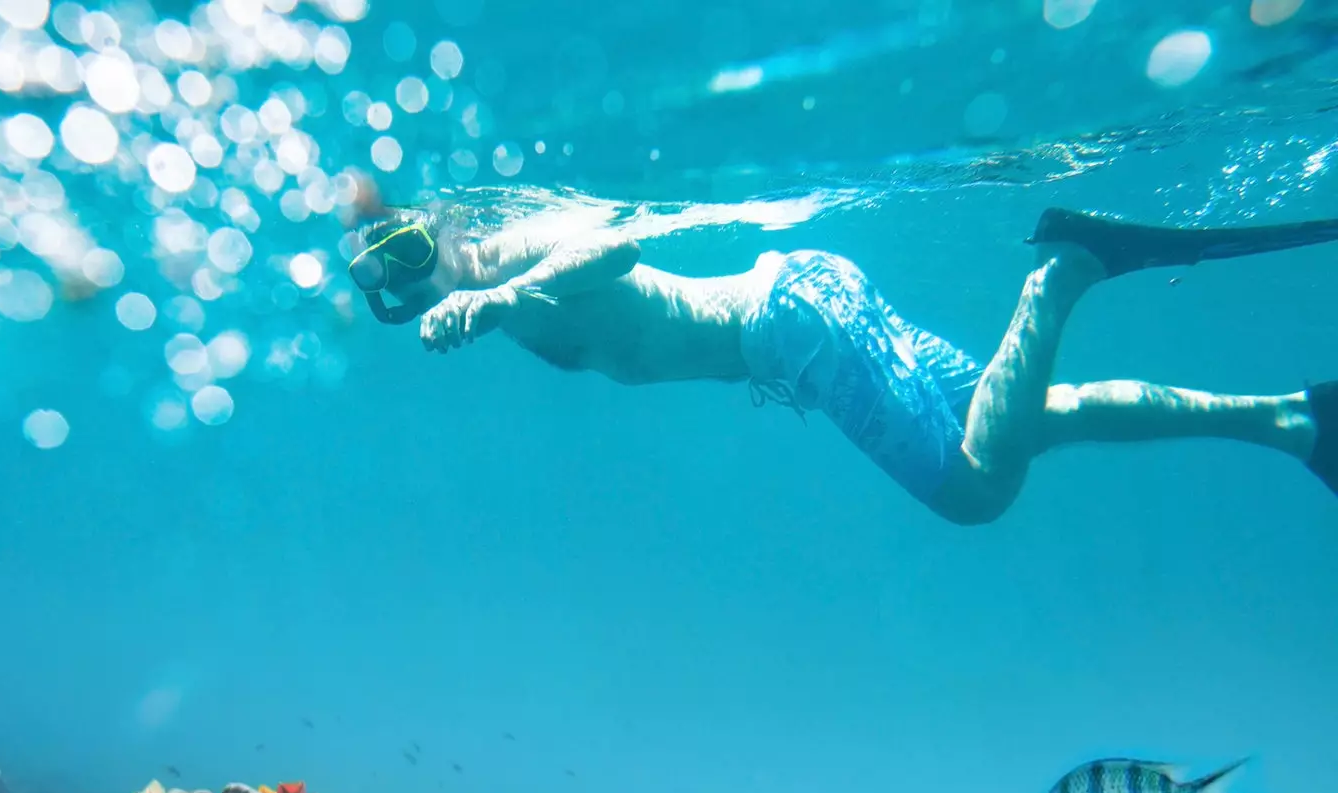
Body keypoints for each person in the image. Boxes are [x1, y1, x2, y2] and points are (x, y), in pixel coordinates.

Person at [343, 206, 1338, 525]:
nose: (408, 279)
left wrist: (500, 293)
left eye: (409, 246)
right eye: (382, 276)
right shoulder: (488, 298)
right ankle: (1291, 420)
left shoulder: (518, 248)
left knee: (974, 489)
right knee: (1038, 413)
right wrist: (481, 303)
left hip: (792, 324)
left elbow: (614, 245)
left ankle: (1069, 268)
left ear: (452, 226)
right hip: (804, 303)